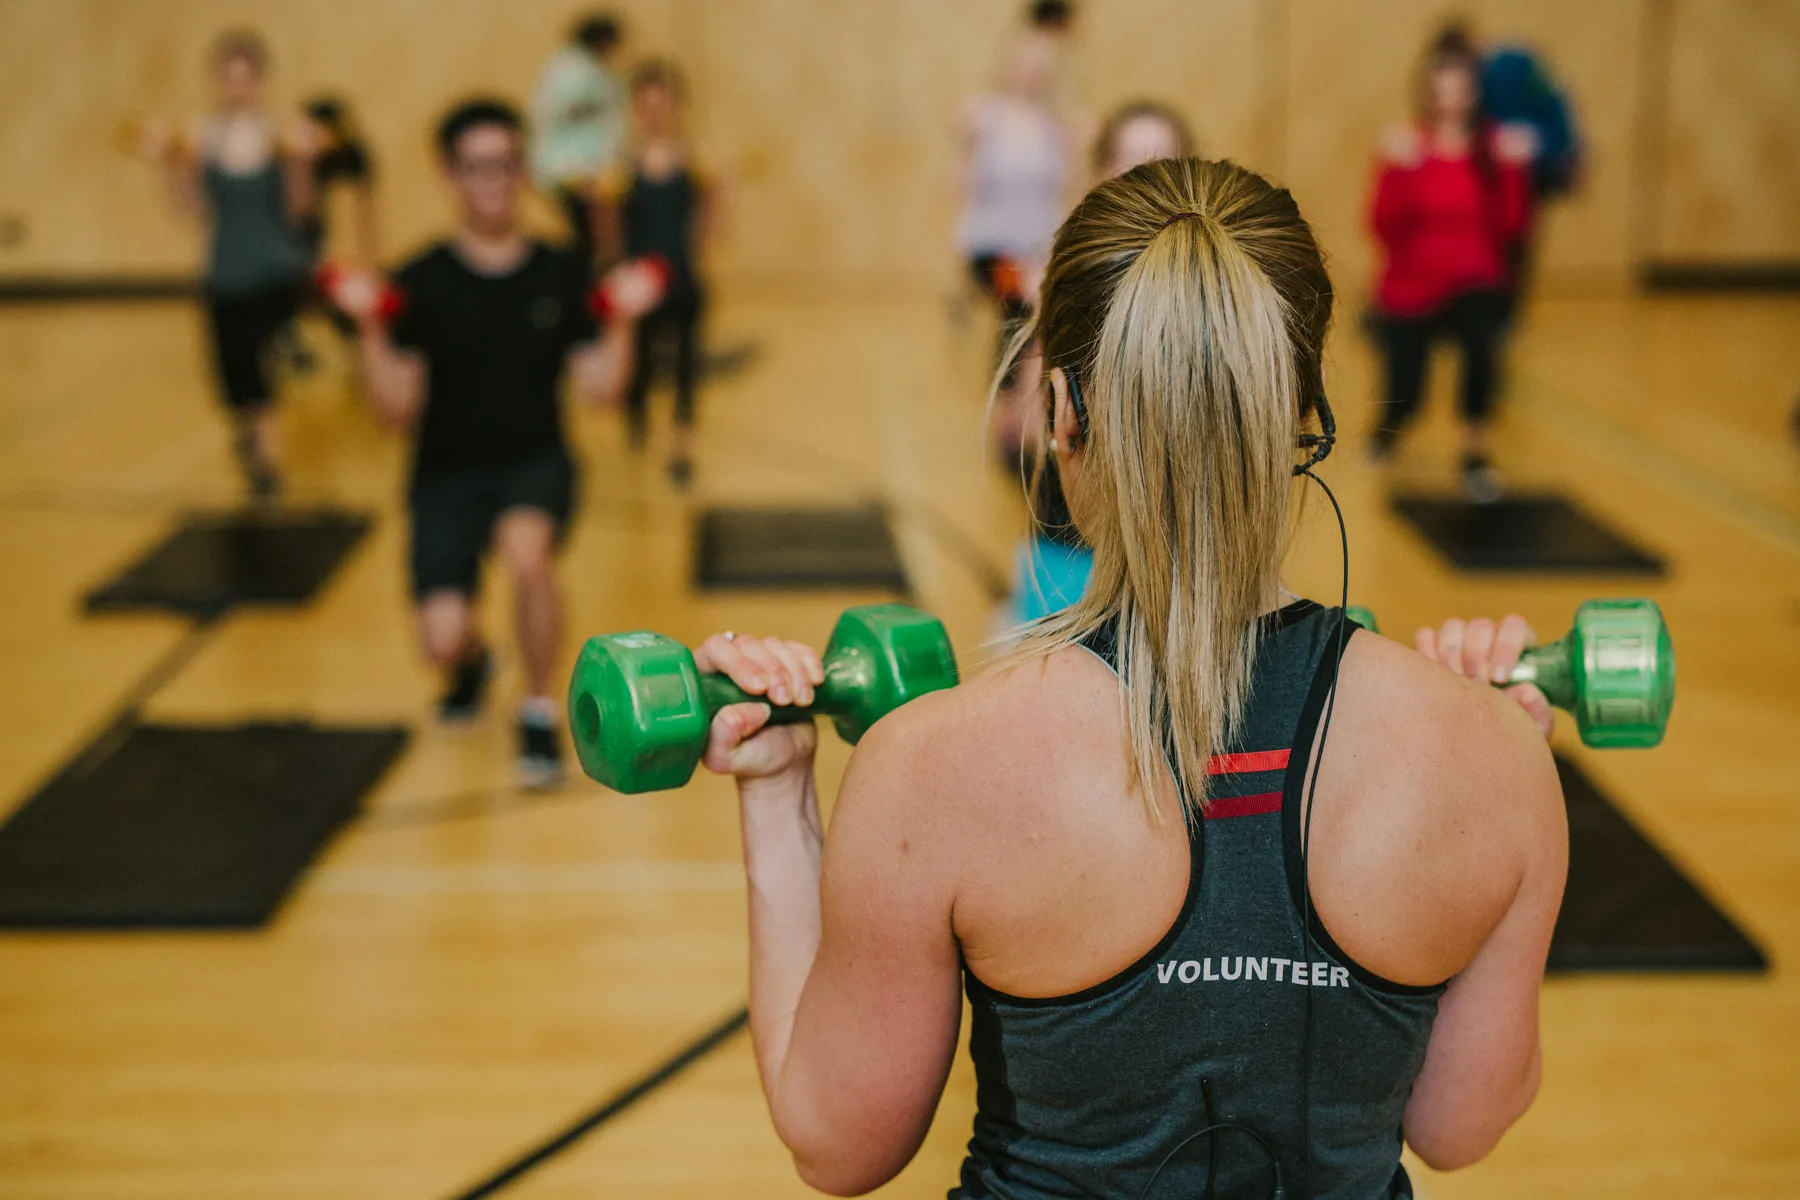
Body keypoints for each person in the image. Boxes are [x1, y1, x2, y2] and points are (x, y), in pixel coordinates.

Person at [688, 158, 1566, 1197]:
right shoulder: (1497, 758)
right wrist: (1494, 742)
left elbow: (837, 1142)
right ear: (1304, 412)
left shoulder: (931, 765)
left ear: (1060, 406)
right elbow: (1460, 1124)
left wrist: (777, 794)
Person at [341, 100, 654, 788]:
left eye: (507, 164)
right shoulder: (420, 281)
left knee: (527, 554)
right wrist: (368, 329)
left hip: (533, 464)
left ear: (523, 170)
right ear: (448, 175)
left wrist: (624, 321)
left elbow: (601, 388)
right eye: (477, 166)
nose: (494, 179)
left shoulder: (560, 271)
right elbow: (395, 410)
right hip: (445, 475)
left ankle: (538, 709)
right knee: (441, 639)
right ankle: (475, 663)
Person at [1005, 100, 1196, 630]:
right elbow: (1030, 408)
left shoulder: (1204, 283)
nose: (1139, 170)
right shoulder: (1068, 265)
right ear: (1102, 169)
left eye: (1158, 157)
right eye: (1125, 156)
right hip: (1071, 530)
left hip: (1173, 532)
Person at [137, 29, 316, 498]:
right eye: (228, 79)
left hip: (273, 267)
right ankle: (250, 435)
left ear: (260, 81)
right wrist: (171, 164)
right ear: (217, 82)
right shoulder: (203, 136)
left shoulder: (281, 133)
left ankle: (268, 463)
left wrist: (302, 162)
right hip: (225, 271)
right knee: (233, 370)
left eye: (246, 79)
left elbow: (299, 209)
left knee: (260, 362)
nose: (237, 89)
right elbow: (191, 209)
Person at [1369, 27, 1535, 503]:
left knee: (1483, 352)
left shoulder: (1494, 151)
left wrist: (1513, 170)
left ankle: (1475, 452)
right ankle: (1388, 428)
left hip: (1474, 279)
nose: (1451, 100)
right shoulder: (1407, 148)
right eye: (1441, 88)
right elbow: (1382, 225)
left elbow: (1512, 226)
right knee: (1407, 386)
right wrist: (1397, 167)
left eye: (1460, 89)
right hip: (1412, 283)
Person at [597, 60, 713, 488]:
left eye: (663, 103)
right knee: (639, 364)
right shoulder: (621, 169)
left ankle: (682, 443)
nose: (655, 112)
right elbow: (609, 227)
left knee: (685, 364)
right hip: (637, 282)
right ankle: (637, 431)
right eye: (646, 104)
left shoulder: (694, 163)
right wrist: (611, 270)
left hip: (681, 275)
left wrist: (720, 195)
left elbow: (706, 226)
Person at [530, 12, 627, 266]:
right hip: (570, 167)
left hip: (591, 167)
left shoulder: (598, 70)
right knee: (590, 237)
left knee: (597, 238)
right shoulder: (571, 68)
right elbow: (558, 109)